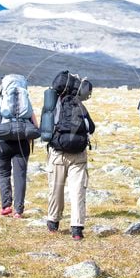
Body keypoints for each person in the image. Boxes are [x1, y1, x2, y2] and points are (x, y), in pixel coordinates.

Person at [46, 83, 95, 241]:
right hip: (78, 155)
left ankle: (53, 222)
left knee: (56, 189)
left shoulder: (54, 105)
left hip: (58, 154)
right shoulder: (80, 106)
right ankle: (77, 229)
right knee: (78, 191)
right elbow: (91, 127)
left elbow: (46, 129)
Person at [0, 82, 38, 219]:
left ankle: (6, 206)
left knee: (3, 174)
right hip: (22, 141)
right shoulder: (25, 99)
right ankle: (18, 211)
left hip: (4, 141)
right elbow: (35, 123)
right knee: (20, 175)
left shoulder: (0, 99)